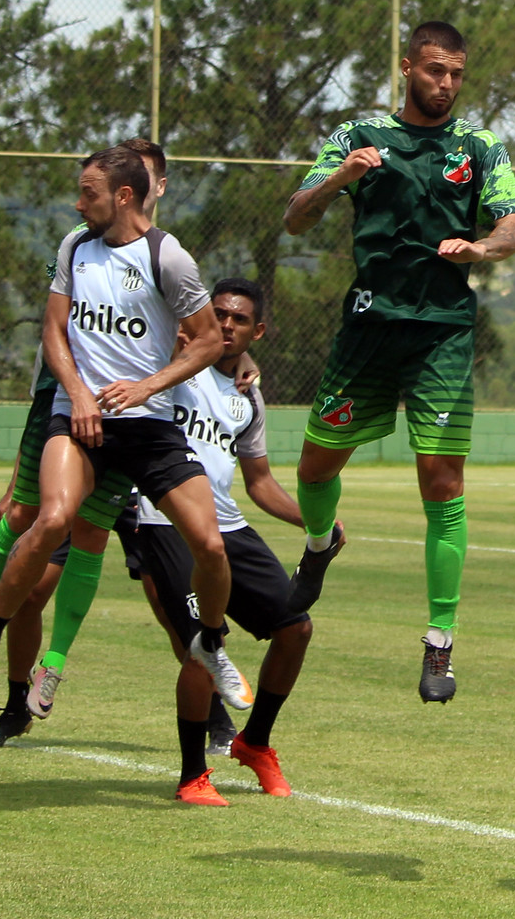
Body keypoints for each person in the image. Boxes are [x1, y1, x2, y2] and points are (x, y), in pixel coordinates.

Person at [0, 146, 247, 708]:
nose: (78, 204)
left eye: (88, 193)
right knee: (51, 518)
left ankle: (211, 644)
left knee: (209, 544)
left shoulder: (168, 258)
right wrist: (78, 393)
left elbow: (207, 340)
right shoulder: (75, 246)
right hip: (78, 420)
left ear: (123, 196)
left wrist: (147, 386)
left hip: (148, 428)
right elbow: (53, 331)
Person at [282, 20, 515, 703]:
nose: (445, 84)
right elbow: (296, 216)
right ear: (406, 68)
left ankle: (440, 643)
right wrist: (341, 177)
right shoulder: (358, 136)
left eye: (456, 73)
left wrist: (482, 248)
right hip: (368, 328)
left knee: (442, 485)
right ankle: (320, 540)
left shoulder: (478, 145)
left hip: (442, 331)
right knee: (314, 466)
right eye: (433, 71)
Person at [121, 278, 325, 805]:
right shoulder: (175, 363)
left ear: (257, 331)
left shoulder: (249, 395)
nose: (227, 325)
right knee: (203, 646)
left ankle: (254, 742)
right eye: (219, 315)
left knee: (295, 627)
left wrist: (315, 521)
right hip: (166, 522)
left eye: (239, 319)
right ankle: (193, 774)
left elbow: (258, 482)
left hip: (227, 526)